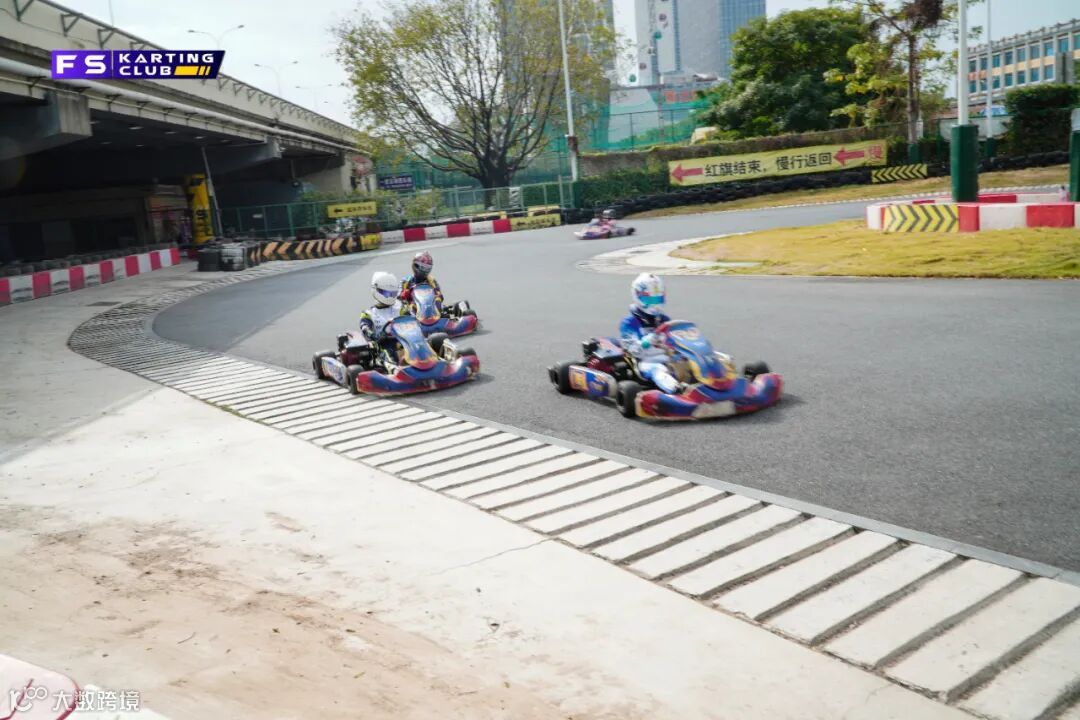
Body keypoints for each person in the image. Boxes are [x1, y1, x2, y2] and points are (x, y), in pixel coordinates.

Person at [619, 273, 685, 394]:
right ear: (637, 296)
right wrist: (648, 340)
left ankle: (714, 382)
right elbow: (632, 350)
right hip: (646, 361)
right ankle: (677, 390)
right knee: (658, 370)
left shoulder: (664, 320)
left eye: (658, 300)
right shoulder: (630, 322)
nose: (654, 305)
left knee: (691, 361)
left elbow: (673, 342)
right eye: (649, 300)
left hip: (666, 357)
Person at [360, 271, 407, 356]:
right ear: (377, 290)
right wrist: (374, 335)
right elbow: (365, 329)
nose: (390, 296)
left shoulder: (401, 308)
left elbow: (412, 321)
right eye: (387, 293)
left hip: (405, 344)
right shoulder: (368, 314)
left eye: (393, 294)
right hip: (383, 348)